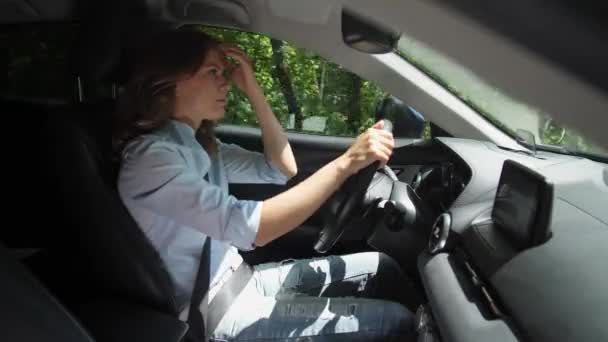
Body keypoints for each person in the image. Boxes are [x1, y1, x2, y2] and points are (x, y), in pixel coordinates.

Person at [113, 30, 419, 341]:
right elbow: (254, 227)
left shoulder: (201, 146)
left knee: (381, 268)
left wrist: (254, 90)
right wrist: (346, 163)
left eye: (225, 72)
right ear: (170, 80)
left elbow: (281, 168)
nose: (225, 82)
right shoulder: (151, 160)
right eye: (212, 71)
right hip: (209, 313)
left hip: (239, 280)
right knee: (398, 323)